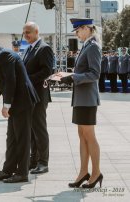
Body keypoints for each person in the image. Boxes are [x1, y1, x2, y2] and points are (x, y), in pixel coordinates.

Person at [0, 40, 39, 183]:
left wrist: (6, 105)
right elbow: (0, 85)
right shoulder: (0, 57)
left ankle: (22, 173)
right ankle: (8, 170)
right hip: (17, 103)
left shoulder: (5, 55)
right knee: (11, 139)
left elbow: (11, 80)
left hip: (23, 102)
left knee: (22, 138)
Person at [60, 18, 103, 188]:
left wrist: (73, 77)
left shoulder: (93, 47)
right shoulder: (86, 45)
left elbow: (95, 74)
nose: (76, 34)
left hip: (87, 99)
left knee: (89, 136)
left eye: (78, 31)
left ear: (86, 28)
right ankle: (84, 172)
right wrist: (68, 75)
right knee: (82, 136)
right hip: (81, 99)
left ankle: (96, 172)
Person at [22, 22, 54, 174]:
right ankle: (33, 160)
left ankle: (43, 162)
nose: (25, 35)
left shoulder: (44, 48)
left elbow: (47, 71)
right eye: (24, 32)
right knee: (32, 130)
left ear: (36, 31)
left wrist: (26, 79)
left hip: (39, 96)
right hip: (29, 97)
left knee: (39, 129)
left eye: (28, 32)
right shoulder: (29, 48)